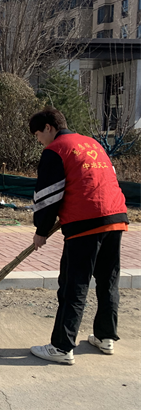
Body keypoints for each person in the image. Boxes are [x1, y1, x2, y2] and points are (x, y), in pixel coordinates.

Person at [28, 107, 128, 365]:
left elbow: (49, 195)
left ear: (49, 127)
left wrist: (41, 230)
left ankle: (62, 347)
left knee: (75, 285)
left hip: (85, 223)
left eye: (38, 134)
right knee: (107, 280)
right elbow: (105, 179)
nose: (39, 140)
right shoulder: (92, 143)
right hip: (115, 218)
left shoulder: (56, 150)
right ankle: (105, 337)